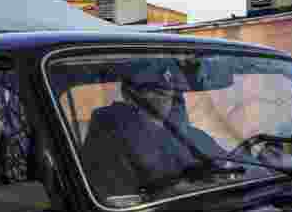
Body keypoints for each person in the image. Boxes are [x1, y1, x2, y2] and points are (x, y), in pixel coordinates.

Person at [80, 60, 229, 201]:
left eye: (168, 90)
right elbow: (121, 200)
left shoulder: (192, 135)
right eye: (153, 90)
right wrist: (180, 190)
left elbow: (229, 168)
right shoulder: (111, 140)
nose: (163, 96)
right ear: (128, 95)